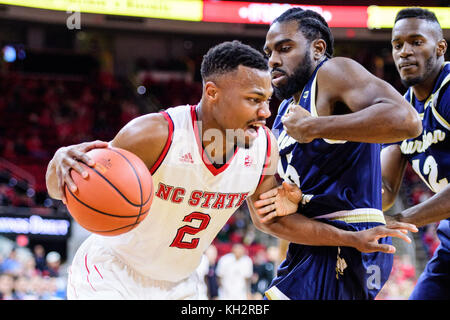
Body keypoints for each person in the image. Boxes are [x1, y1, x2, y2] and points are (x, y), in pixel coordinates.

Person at [46, 41, 416, 300]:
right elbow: (65, 187)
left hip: (181, 284)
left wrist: (350, 239)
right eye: (254, 100)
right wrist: (60, 161)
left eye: (267, 101)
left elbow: (271, 221)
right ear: (212, 94)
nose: (265, 112)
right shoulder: (154, 134)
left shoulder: (264, 148)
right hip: (113, 273)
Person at [248, 8, 422, 300]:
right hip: (317, 241)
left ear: (318, 49)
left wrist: (315, 126)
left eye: (285, 48)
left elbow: (408, 121)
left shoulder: (332, 72)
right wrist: (292, 196)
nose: (273, 60)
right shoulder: (282, 115)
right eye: (269, 52)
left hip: (347, 241)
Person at [382, 7, 449, 300]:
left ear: (440, 47)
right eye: (398, 45)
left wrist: (400, 218)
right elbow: (383, 190)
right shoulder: (401, 111)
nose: (405, 52)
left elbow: (395, 214)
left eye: (416, 42)